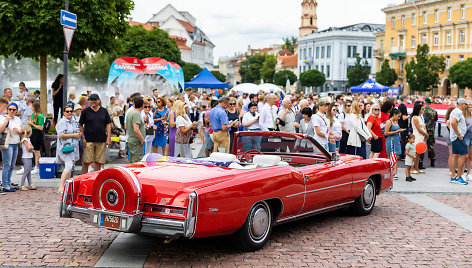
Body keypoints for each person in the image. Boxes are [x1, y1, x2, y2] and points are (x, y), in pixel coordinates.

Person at [79, 93, 111, 174]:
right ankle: (83, 179)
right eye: (91, 100)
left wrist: (109, 138)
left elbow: (108, 124)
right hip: (88, 140)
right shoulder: (85, 111)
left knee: (98, 162)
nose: (93, 101)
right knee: (86, 162)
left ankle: (95, 180)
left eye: (94, 100)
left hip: (101, 140)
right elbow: (80, 125)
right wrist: (83, 138)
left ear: (99, 101)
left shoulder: (104, 111)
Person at [56, 105, 81, 193]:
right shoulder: (62, 122)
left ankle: (67, 186)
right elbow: (60, 135)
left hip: (73, 147)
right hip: (65, 147)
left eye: (71, 111)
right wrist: (73, 135)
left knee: (70, 167)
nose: (69, 113)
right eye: (67, 111)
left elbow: (77, 130)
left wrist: (78, 134)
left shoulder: (74, 121)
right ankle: (61, 187)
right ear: (64, 113)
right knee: (68, 166)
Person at [0, 103, 23, 192]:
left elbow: (21, 131)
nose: (12, 111)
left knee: (12, 165)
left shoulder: (17, 119)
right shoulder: (3, 118)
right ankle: (5, 185)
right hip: (7, 144)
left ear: (16, 110)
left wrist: (18, 131)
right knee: (7, 164)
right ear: (7, 110)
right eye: (10, 109)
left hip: (15, 143)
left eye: (14, 109)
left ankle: (9, 183)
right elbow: (1, 130)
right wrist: (6, 120)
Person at [450, 98, 469, 185]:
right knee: (464, 155)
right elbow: (453, 122)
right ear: (462, 104)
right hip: (458, 137)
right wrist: (459, 134)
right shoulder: (458, 111)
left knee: (455, 155)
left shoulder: (455, 111)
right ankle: (458, 177)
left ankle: (454, 177)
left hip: (456, 137)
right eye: (465, 104)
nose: (466, 106)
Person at [384, 109, 404, 180]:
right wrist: (397, 131)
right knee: (391, 156)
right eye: (398, 116)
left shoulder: (395, 121)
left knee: (396, 156)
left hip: (396, 140)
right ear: (394, 114)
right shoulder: (389, 122)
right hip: (391, 140)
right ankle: (391, 172)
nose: (399, 118)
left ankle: (394, 172)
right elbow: (386, 133)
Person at [126, 97, 146, 163]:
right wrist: (142, 139)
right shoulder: (136, 114)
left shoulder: (130, 112)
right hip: (136, 142)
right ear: (142, 105)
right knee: (137, 162)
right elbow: (136, 129)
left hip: (132, 140)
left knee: (132, 161)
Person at [28, 101, 44, 174]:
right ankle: (36, 166)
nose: (31, 107)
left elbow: (40, 127)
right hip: (33, 133)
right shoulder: (33, 114)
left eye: (32, 106)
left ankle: (36, 167)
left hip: (38, 134)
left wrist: (32, 124)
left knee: (37, 152)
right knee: (35, 151)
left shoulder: (40, 116)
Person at [411, 103, 427, 174]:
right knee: (414, 153)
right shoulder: (415, 118)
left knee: (419, 153)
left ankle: (417, 167)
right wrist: (426, 134)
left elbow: (423, 126)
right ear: (418, 110)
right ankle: (412, 168)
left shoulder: (421, 116)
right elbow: (419, 129)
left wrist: (425, 134)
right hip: (417, 136)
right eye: (422, 109)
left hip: (421, 137)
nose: (423, 110)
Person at [20, 126, 36, 190]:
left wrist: (31, 148)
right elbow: (29, 148)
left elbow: (31, 147)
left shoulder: (28, 139)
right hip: (25, 157)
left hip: (29, 156)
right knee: (26, 171)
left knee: (29, 171)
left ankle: (30, 184)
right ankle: (22, 185)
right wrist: (31, 148)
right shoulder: (25, 140)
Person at [423, 98, 438, 167]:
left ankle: (420, 161)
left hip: (422, 130)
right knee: (430, 146)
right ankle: (432, 161)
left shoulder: (422, 110)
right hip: (430, 130)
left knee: (421, 145)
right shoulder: (434, 111)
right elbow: (435, 119)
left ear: (425, 102)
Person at [398, 95, 410, 160]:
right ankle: (402, 154)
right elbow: (404, 118)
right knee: (404, 140)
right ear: (404, 99)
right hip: (404, 125)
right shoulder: (403, 107)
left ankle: (401, 154)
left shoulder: (400, 106)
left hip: (400, 124)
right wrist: (409, 115)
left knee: (402, 140)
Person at [445, 107, 455, 177]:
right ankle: (451, 170)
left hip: (450, 137)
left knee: (452, 155)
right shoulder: (449, 121)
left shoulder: (448, 120)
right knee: (451, 155)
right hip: (451, 137)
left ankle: (452, 169)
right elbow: (452, 129)